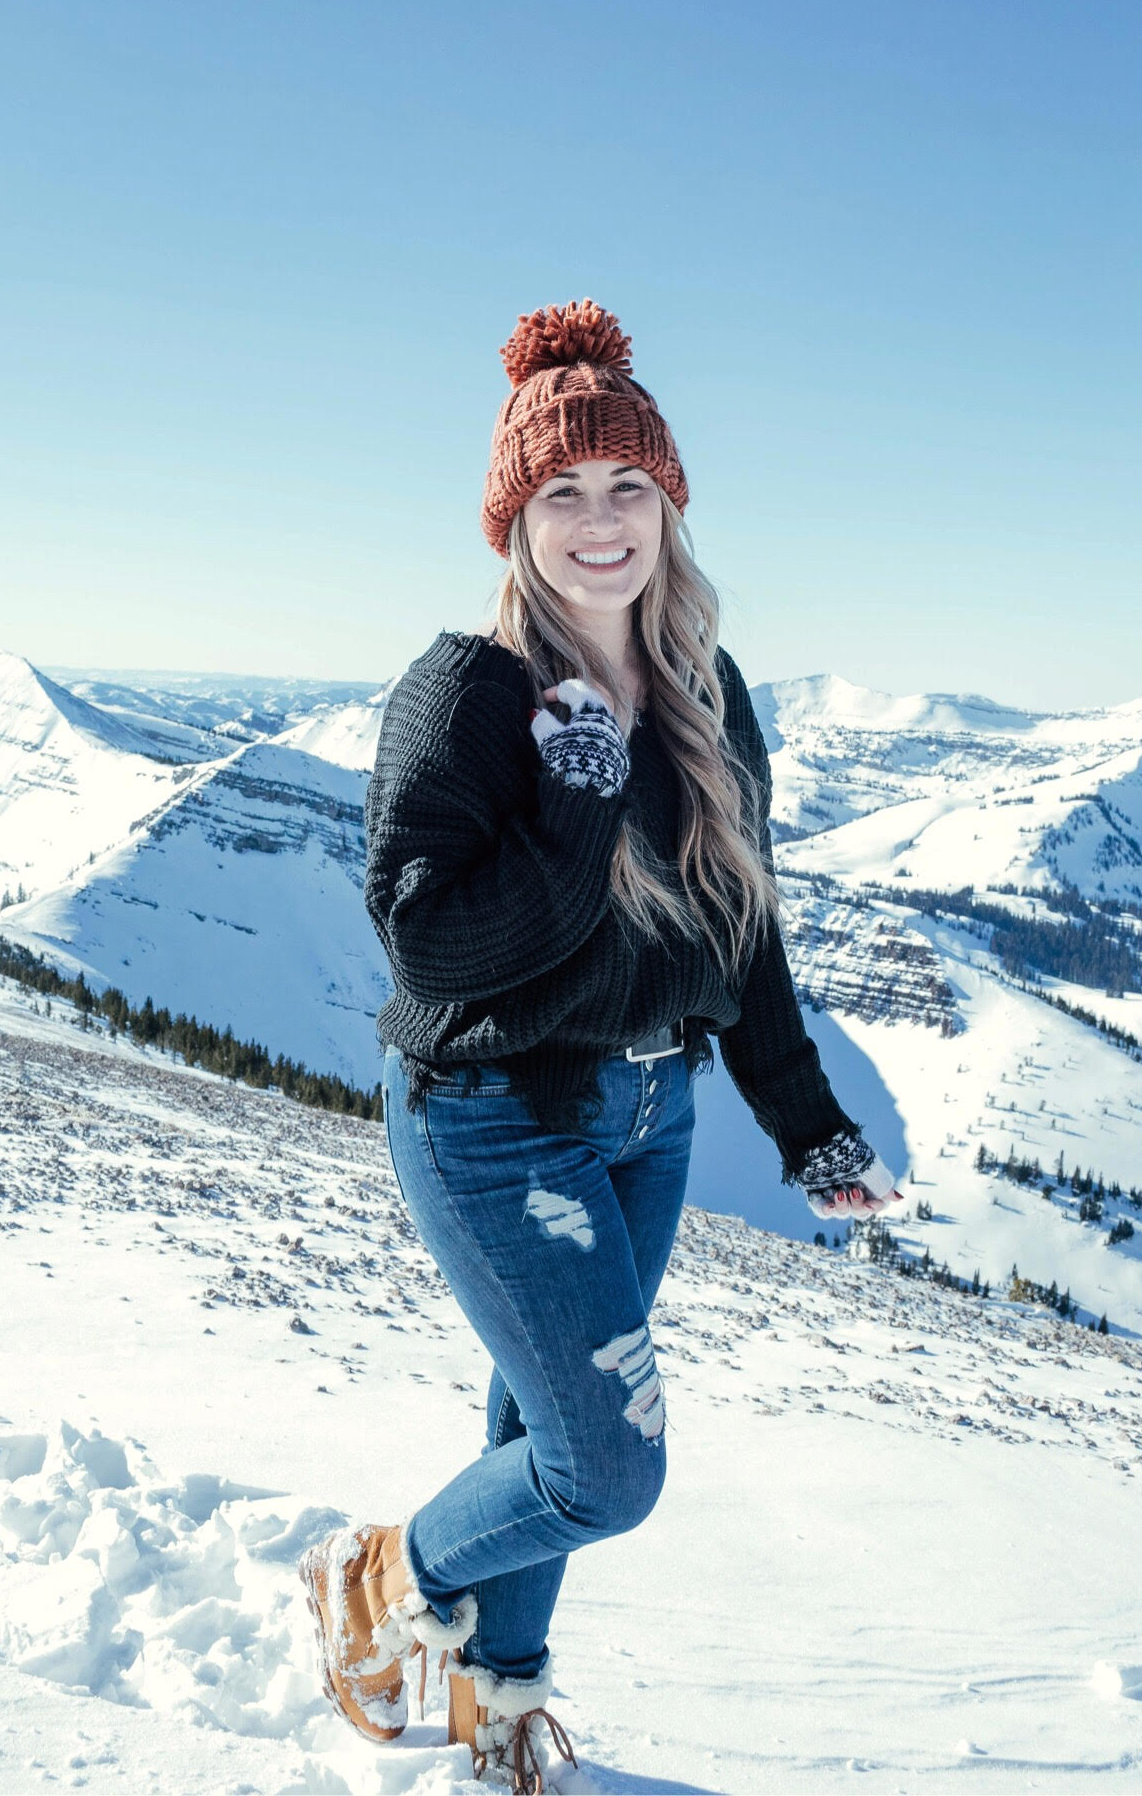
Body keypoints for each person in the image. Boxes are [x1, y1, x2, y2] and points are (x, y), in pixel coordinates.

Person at [299, 299, 901, 1791]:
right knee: (602, 1467)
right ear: (513, 520)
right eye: (560, 493)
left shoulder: (706, 688)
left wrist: (803, 1120)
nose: (598, 520)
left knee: (537, 1415)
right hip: (496, 1116)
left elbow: (741, 931)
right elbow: (430, 947)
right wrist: (572, 800)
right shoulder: (468, 692)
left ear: (667, 502)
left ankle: (495, 1704)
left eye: (625, 485)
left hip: (650, 1117)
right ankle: (377, 1577)